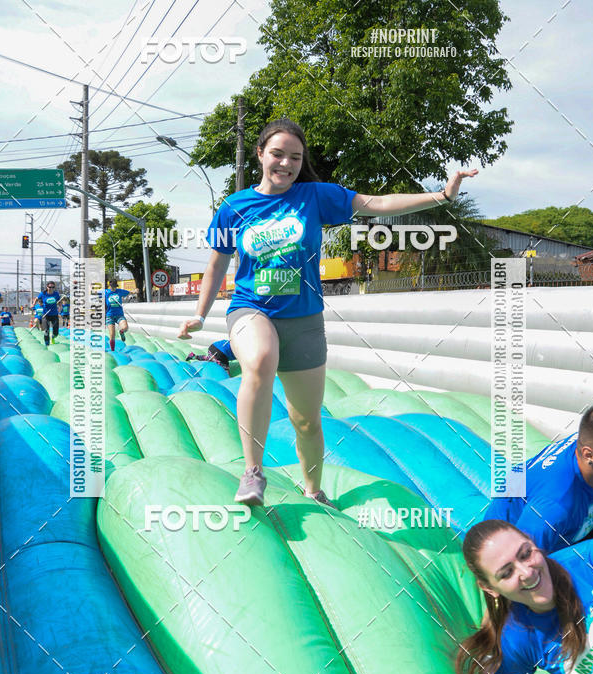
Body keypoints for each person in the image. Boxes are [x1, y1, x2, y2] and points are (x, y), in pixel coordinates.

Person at [178, 118, 477, 506]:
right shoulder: (234, 207)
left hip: (303, 320)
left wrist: (441, 195)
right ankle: (253, 472)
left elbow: (378, 203)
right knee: (261, 359)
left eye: (295, 158)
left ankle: (313, 489)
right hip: (250, 309)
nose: (286, 163)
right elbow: (217, 264)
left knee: (306, 420)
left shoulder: (316, 197)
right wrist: (200, 315)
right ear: (260, 154)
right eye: (277, 154)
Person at [456, 519, 593, 674]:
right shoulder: (517, 637)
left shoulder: (589, 560)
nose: (526, 572)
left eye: (525, 554)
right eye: (506, 572)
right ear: (489, 588)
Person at [484, 405, 593, 553]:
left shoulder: (589, 441)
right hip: (515, 545)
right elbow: (522, 564)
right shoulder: (554, 508)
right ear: (588, 455)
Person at [33, 282, 64, 346]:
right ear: (47, 287)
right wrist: (33, 304)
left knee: (56, 332)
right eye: (50, 287)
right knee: (46, 331)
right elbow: (36, 298)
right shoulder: (43, 294)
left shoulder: (56, 294)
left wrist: (60, 307)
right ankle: (47, 344)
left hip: (54, 314)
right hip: (45, 315)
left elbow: (59, 301)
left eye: (53, 287)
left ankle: (53, 337)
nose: (51, 288)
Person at [102, 279, 130, 351]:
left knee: (125, 327)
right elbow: (95, 292)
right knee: (112, 335)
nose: (113, 288)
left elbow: (129, 292)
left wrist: (135, 291)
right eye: (112, 286)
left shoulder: (120, 291)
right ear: (110, 286)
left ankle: (122, 332)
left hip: (119, 315)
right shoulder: (106, 292)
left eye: (115, 287)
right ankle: (112, 350)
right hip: (110, 316)